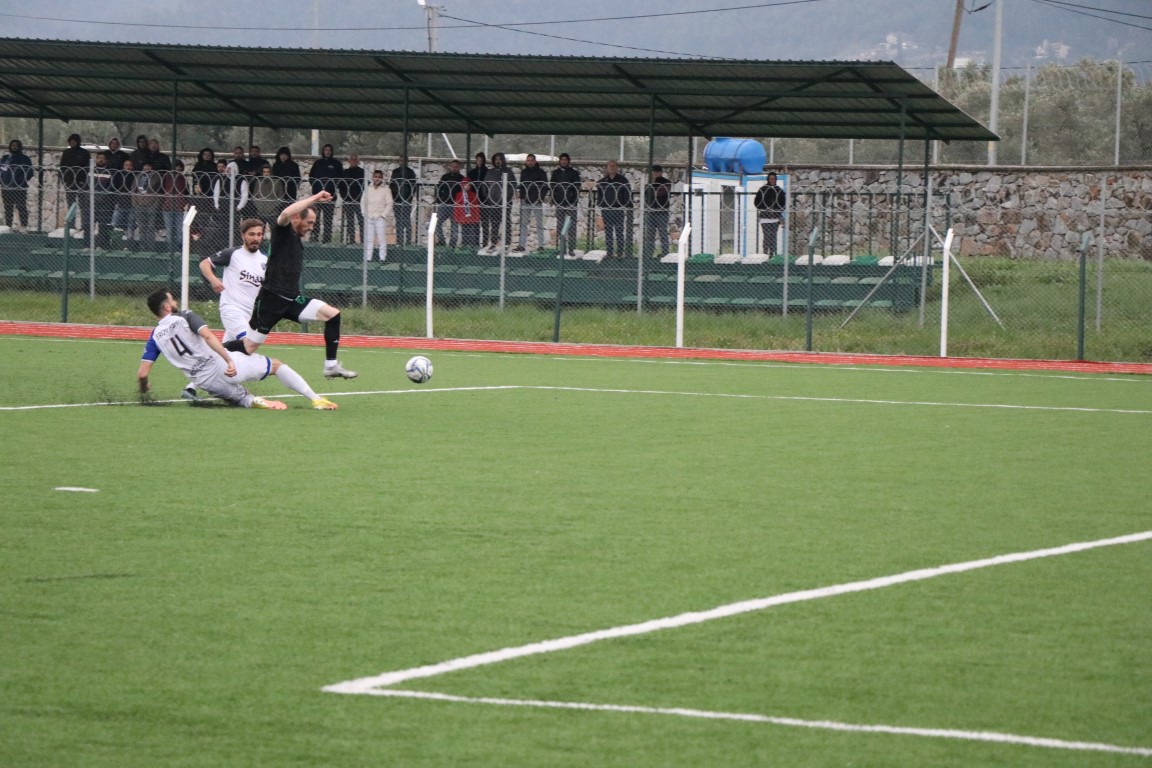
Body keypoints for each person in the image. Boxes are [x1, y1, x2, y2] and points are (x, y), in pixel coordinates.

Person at [225, 189, 357, 380]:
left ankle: (330, 366)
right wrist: (315, 198)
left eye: (313, 223)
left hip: (291, 300)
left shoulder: (296, 239)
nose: (311, 227)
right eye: (309, 222)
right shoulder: (283, 231)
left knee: (332, 315)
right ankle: (211, 350)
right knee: (249, 347)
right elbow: (285, 213)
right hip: (270, 301)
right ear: (297, 218)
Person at [137, 289, 337, 410]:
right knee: (276, 366)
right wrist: (228, 360)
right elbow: (208, 336)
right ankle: (316, 399)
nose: (175, 302)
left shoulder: (155, 337)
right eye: (172, 300)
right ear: (166, 306)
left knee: (243, 399)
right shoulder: (185, 316)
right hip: (222, 366)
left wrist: (144, 390)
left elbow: (142, 374)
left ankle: (256, 401)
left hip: (206, 383)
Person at [596, 160, 632, 259]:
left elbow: (627, 193)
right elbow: (599, 195)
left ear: (617, 168)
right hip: (607, 210)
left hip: (618, 209)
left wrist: (625, 204)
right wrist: (601, 204)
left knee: (619, 231)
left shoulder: (622, 180)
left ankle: (620, 253)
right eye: (610, 166)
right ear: (607, 168)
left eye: (614, 166)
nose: (612, 168)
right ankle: (609, 252)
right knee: (608, 232)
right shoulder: (603, 181)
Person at [480, 152, 515, 254]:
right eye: (496, 159)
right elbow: (484, 185)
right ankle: (494, 243)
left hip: (505, 203)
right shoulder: (490, 172)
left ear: (503, 160)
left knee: (506, 223)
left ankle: (507, 244)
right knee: (494, 223)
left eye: (499, 159)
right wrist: (488, 197)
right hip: (493, 202)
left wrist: (507, 198)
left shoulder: (508, 171)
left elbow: (513, 185)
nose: (498, 161)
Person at [308, 143, 342, 243]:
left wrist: (332, 187)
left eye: (329, 150)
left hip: (330, 196)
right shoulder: (318, 163)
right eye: (326, 150)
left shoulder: (336, 164)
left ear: (332, 152)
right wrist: (316, 188)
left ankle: (327, 239)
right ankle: (314, 236)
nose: (327, 152)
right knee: (315, 217)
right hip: (318, 196)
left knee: (328, 218)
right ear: (323, 151)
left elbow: (340, 178)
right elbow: (311, 177)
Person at [515, 153, 547, 253]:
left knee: (539, 224)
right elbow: (522, 185)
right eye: (528, 161)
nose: (530, 162)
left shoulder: (541, 172)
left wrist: (540, 198)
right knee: (523, 224)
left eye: (531, 160)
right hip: (525, 200)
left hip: (537, 201)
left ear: (535, 161)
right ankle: (521, 245)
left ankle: (541, 246)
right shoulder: (524, 172)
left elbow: (545, 186)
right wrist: (522, 196)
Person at [59, 133, 91, 236]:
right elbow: (62, 167)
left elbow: (87, 168)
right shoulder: (66, 152)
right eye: (71, 141)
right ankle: (71, 225)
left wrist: (84, 180)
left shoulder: (84, 153)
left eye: (74, 141)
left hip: (82, 183)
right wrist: (63, 179)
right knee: (71, 205)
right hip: (69, 182)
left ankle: (84, 226)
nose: (72, 143)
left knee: (83, 205)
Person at [550, 153, 581, 257]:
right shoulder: (556, 173)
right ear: (559, 161)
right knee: (560, 226)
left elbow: (577, 187)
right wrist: (554, 199)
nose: (563, 161)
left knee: (571, 226)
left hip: (571, 203)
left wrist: (573, 201)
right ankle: (561, 248)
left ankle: (571, 248)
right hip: (560, 203)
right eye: (562, 160)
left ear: (568, 161)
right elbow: (553, 187)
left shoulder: (574, 173)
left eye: (565, 160)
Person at [0, 139, 34, 232]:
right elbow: (1, 170)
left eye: (16, 145)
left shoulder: (25, 159)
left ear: (19, 147)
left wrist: (21, 180)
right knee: (8, 207)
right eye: (12, 145)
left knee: (21, 206)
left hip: (20, 187)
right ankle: (8, 227)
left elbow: (29, 172)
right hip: (7, 187)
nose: (14, 147)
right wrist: (2, 181)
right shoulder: (6, 158)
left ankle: (23, 226)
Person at [361, 169, 393, 263]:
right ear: (372, 177)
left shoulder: (386, 189)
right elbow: (362, 202)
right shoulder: (368, 188)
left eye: (379, 177)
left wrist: (383, 215)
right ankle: (368, 258)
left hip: (379, 217)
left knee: (381, 239)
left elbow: (389, 203)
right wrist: (364, 213)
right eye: (375, 177)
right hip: (369, 216)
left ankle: (382, 258)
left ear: (382, 178)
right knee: (369, 239)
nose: (377, 179)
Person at [131, 161, 162, 250]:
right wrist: (135, 204)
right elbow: (133, 190)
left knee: (151, 227)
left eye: (149, 166)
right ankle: (143, 247)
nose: (147, 168)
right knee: (142, 227)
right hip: (139, 205)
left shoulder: (156, 177)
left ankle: (150, 247)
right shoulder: (138, 176)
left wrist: (155, 205)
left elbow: (159, 192)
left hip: (151, 205)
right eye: (145, 166)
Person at [643, 165, 672, 259]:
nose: (655, 174)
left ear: (660, 172)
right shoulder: (649, 182)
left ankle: (665, 253)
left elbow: (660, 192)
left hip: (662, 212)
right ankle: (648, 254)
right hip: (651, 211)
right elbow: (646, 193)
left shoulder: (666, 182)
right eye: (654, 172)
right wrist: (652, 186)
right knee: (650, 234)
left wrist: (653, 188)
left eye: (657, 172)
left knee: (663, 233)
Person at [754, 172, 786, 256]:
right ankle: (765, 254)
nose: (772, 180)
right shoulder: (763, 190)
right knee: (767, 236)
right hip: (765, 217)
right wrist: (765, 208)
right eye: (771, 179)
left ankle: (772, 254)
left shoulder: (779, 190)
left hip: (775, 217)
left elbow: (783, 204)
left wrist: (777, 210)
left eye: (774, 179)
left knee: (773, 237)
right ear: (768, 179)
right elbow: (757, 203)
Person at [434, 159, 463, 247]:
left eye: (456, 167)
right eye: (453, 166)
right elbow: (439, 188)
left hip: (455, 205)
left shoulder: (461, 178)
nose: (454, 168)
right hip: (445, 203)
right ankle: (441, 241)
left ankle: (452, 245)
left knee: (454, 226)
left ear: (459, 168)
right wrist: (439, 199)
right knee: (436, 222)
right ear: (449, 167)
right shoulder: (445, 177)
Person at [161, 160, 188, 253]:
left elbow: (186, 192)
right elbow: (162, 190)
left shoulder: (182, 179)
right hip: (168, 207)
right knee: (170, 230)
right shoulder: (167, 177)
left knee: (180, 230)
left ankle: (179, 250)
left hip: (180, 207)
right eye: (176, 169)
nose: (178, 172)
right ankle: (171, 250)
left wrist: (184, 203)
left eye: (180, 170)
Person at [389, 155, 417, 246]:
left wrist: (409, 198)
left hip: (406, 200)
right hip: (397, 200)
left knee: (406, 221)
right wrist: (393, 197)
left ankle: (408, 241)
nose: (402, 162)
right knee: (398, 221)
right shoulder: (395, 172)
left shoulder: (410, 172)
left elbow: (413, 186)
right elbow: (392, 185)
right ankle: (399, 240)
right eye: (400, 160)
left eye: (404, 160)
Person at [91, 152, 115, 249]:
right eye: (99, 158)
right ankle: (90, 245)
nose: (100, 160)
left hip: (104, 203)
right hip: (92, 202)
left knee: (103, 225)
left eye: (103, 158)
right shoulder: (91, 171)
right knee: (90, 224)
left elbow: (110, 187)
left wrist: (101, 196)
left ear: (106, 160)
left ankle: (102, 245)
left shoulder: (109, 172)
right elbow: (88, 185)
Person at [466, 152, 490, 245]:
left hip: (484, 199)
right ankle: (475, 242)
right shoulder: (472, 173)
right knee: (474, 221)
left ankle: (485, 242)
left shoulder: (487, 172)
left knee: (485, 222)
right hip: (473, 200)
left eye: (481, 160)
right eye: (477, 160)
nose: (479, 162)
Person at [340, 154, 364, 244]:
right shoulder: (345, 172)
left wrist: (361, 198)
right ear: (349, 161)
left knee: (361, 221)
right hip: (348, 200)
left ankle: (363, 240)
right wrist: (344, 197)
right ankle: (351, 240)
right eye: (352, 159)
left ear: (358, 161)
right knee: (350, 221)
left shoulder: (362, 172)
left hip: (359, 201)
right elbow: (341, 186)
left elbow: (364, 186)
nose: (353, 161)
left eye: (355, 159)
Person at [252, 166, 284, 234]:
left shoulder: (277, 183)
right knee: (260, 231)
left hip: (273, 212)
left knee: (274, 231)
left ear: (271, 173)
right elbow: (255, 197)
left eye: (268, 172)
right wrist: (259, 206)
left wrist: (273, 206)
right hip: (261, 212)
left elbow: (281, 197)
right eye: (264, 172)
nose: (266, 174)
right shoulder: (258, 183)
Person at [453, 176, 481, 247]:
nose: (466, 186)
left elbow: (476, 207)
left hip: (471, 218)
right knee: (464, 233)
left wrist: (476, 218)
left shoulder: (473, 195)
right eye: (464, 184)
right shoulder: (459, 195)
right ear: (462, 185)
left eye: (468, 184)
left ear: (470, 185)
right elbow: (457, 207)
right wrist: (457, 218)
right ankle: (465, 247)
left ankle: (472, 247)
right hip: (463, 218)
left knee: (472, 234)